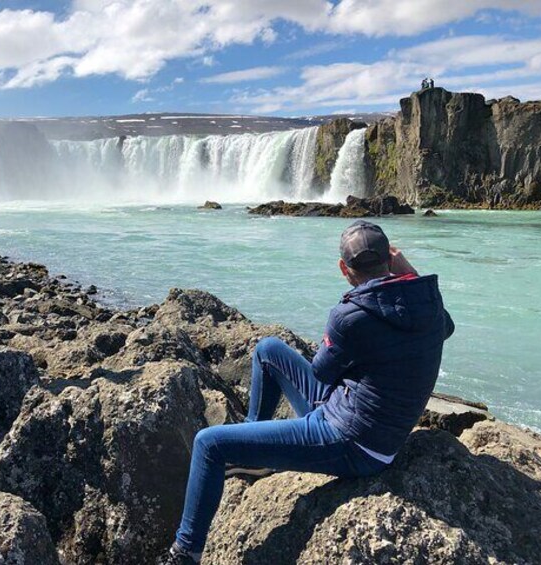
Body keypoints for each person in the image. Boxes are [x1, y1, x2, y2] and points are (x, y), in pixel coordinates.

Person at [161, 220, 455, 564]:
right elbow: (446, 328)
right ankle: (253, 453)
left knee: (208, 444)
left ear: (344, 269)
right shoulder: (428, 303)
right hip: (358, 417)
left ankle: (184, 553)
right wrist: (406, 272)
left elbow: (322, 371)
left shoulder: (350, 315)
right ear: (391, 260)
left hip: (353, 443)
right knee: (268, 349)